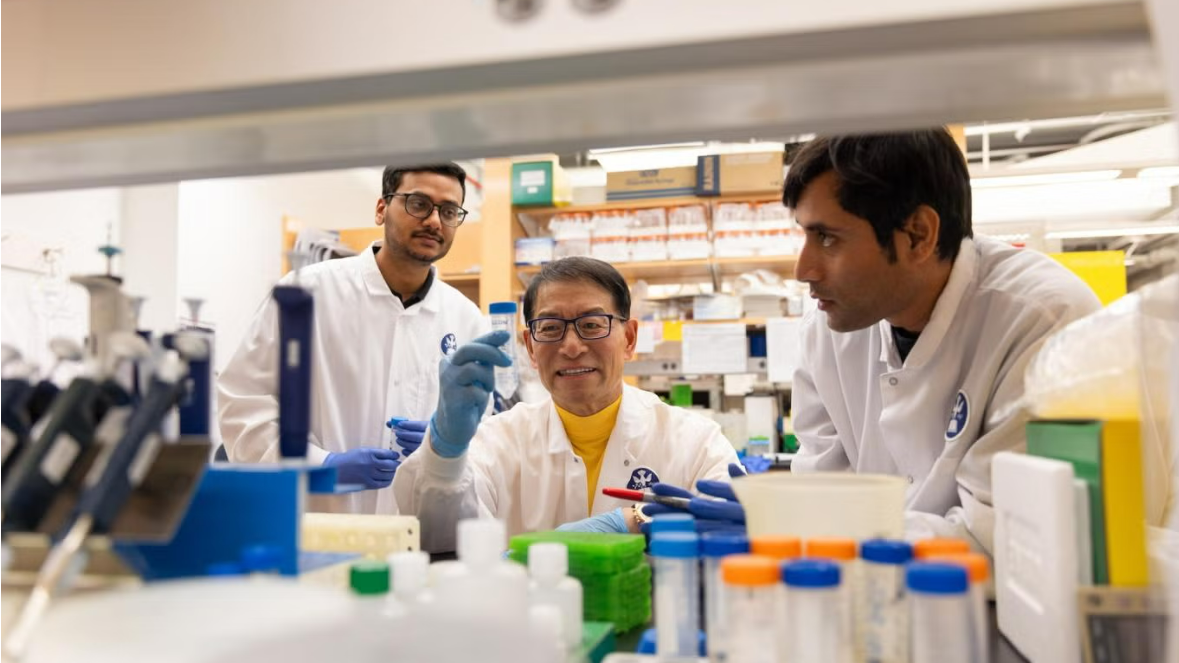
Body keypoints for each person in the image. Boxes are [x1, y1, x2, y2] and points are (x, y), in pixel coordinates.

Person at [784, 129, 1101, 552]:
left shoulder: (1045, 320)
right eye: (804, 235)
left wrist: (821, 528)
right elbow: (821, 498)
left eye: (827, 238)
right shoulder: (823, 331)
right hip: (871, 600)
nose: (803, 270)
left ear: (918, 234)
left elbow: (1005, 534)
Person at [393, 257, 740, 551]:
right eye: (550, 327)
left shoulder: (696, 442)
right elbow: (440, 541)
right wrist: (446, 451)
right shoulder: (496, 442)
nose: (571, 346)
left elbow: (728, 524)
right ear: (530, 347)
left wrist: (634, 519)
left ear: (629, 338)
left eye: (591, 324)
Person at [218, 163, 488, 514]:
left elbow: (484, 434)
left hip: (414, 536)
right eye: (419, 203)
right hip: (318, 525)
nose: (435, 221)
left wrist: (443, 442)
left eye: (449, 211)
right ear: (381, 209)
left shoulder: (465, 318)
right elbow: (243, 403)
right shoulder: (305, 294)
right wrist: (321, 464)